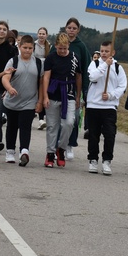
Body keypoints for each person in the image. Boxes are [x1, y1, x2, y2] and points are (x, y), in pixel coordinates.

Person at [40, 33, 83, 168]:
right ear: (56, 46)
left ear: (68, 46)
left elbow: (78, 77)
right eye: (60, 48)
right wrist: (45, 96)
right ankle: (50, 153)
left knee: (69, 123)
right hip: (53, 93)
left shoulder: (74, 58)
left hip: (69, 94)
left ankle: (61, 149)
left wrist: (78, 96)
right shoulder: (51, 58)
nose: (63, 51)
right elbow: (46, 78)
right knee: (52, 126)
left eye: (65, 48)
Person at [51, 18, 90, 160]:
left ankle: (69, 144)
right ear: (65, 28)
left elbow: (85, 70)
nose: (71, 30)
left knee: (74, 118)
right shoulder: (57, 44)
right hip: (57, 87)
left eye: (74, 28)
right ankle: (56, 147)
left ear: (78, 30)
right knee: (57, 119)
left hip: (73, 88)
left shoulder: (81, 47)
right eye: (69, 27)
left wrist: (84, 91)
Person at [1, 35, 43, 166]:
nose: (27, 50)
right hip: (12, 101)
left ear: (33, 48)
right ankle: (10, 151)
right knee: (12, 127)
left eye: (30, 48)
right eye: (25, 47)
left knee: (25, 126)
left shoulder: (38, 63)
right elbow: (5, 78)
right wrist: (9, 88)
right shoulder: (13, 61)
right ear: (19, 47)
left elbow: (41, 83)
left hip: (29, 101)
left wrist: (40, 101)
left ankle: (24, 151)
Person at [86, 41, 127, 175]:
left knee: (110, 135)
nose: (103, 53)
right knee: (93, 134)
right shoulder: (95, 64)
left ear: (113, 53)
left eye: (106, 51)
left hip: (109, 106)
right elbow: (93, 77)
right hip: (93, 105)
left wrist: (110, 95)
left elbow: (122, 86)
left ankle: (107, 160)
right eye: (102, 51)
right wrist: (104, 65)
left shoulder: (118, 68)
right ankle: (93, 159)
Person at [0, 21, 19, 154]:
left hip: (3, 88)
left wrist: (8, 88)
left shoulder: (11, 50)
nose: (1, 31)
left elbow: (14, 72)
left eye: (4, 29)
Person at [33, 27, 50, 130]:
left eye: (43, 34)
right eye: (40, 33)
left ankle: (41, 118)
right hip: (35, 69)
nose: (41, 35)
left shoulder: (49, 46)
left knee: (42, 94)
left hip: (45, 72)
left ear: (46, 35)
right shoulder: (34, 45)